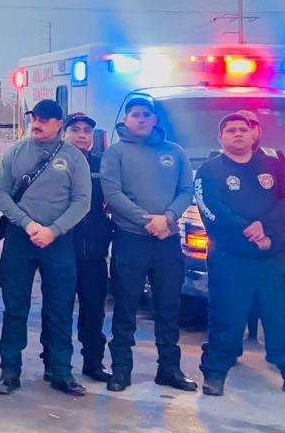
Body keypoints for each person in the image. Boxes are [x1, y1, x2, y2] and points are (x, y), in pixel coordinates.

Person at [194, 113, 285, 399]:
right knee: (226, 318)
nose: (238, 134)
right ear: (220, 137)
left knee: (282, 319)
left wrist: (265, 227)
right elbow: (211, 210)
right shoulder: (209, 170)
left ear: (253, 134)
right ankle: (215, 373)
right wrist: (249, 231)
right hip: (231, 258)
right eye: (231, 130)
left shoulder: (273, 165)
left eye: (243, 129)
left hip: (273, 258)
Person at [0, 100, 90, 396]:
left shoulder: (73, 157)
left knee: (59, 308)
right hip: (20, 239)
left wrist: (53, 230)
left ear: (59, 124)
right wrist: (27, 224)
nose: (37, 124)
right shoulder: (16, 152)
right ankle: (10, 371)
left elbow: (82, 201)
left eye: (44, 120)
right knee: (15, 307)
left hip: (58, 241)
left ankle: (60, 370)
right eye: (34, 118)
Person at [101, 97, 198, 392]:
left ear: (155, 119)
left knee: (168, 307)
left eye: (146, 114)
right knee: (125, 307)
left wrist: (168, 218)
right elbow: (113, 194)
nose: (141, 119)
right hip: (130, 240)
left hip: (167, 241)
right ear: (126, 120)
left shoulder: (175, 152)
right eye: (135, 115)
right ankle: (121, 370)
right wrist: (147, 220)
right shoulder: (115, 153)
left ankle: (169, 369)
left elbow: (186, 190)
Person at [59, 112, 112, 383]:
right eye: (76, 129)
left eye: (87, 131)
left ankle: (93, 362)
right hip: (61, 253)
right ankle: (57, 365)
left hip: (94, 255)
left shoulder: (103, 166)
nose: (82, 135)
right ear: (65, 133)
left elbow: (113, 200)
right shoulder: (55, 164)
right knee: (59, 312)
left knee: (93, 312)